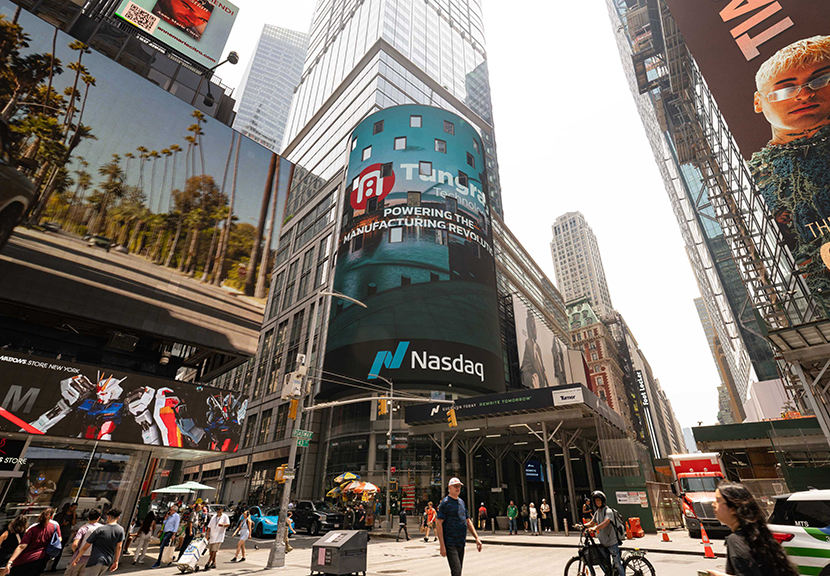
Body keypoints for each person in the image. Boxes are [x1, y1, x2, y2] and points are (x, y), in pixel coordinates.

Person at [749, 35, 830, 298]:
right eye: (785, 89)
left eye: (820, 79)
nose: (805, 93)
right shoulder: (753, 179)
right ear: (758, 102)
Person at [707, 483, 798, 576]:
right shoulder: (758, 535)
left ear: (733, 508)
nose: (713, 504)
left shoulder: (736, 540)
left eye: (718, 501)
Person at [436, 478, 481, 576]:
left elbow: (468, 521)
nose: (457, 488)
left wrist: (476, 538)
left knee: (458, 571)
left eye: (459, 486)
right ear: (449, 487)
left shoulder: (461, 502)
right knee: (456, 571)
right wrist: (442, 545)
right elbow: (438, 523)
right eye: (455, 486)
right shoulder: (445, 503)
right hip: (450, 543)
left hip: (461, 542)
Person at [6, 508, 59, 576]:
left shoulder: (33, 528)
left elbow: (22, 546)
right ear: (51, 516)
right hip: (41, 559)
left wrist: (10, 562)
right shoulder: (54, 526)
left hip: (25, 560)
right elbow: (59, 540)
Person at [581, 491, 623, 576]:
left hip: (611, 542)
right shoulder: (597, 512)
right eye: (596, 501)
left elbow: (605, 522)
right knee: (604, 563)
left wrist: (595, 528)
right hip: (603, 543)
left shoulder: (608, 511)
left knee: (617, 564)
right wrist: (582, 526)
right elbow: (592, 523)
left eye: (599, 500)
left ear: (603, 501)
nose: (598, 502)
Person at [71, 509, 124, 576]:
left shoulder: (100, 529)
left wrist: (77, 557)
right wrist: (116, 561)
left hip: (96, 560)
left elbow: (86, 546)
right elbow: (119, 547)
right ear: (118, 518)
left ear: (108, 517)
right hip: (107, 561)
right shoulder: (120, 530)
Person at [63, 510, 101, 576]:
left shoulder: (84, 528)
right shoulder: (102, 528)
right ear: (99, 518)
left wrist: (75, 551)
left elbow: (75, 544)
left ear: (88, 518)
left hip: (78, 558)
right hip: (91, 558)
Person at [50, 504, 77, 571]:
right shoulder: (61, 515)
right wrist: (62, 524)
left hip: (66, 534)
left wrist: (74, 516)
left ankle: (54, 566)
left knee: (60, 550)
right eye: (73, 507)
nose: (74, 509)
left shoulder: (73, 516)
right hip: (58, 534)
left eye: (75, 508)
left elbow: (73, 523)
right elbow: (55, 523)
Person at [204, 505, 229, 571]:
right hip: (212, 536)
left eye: (219, 510)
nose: (218, 511)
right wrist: (207, 534)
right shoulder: (214, 517)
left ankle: (208, 563)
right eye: (217, 510)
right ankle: (214, 562)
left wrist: (223, 525)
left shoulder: (225, 516)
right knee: (211, 551)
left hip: (219, 536)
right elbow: (209, 526)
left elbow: (228, 524)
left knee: (214, 550)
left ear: (222, 510)